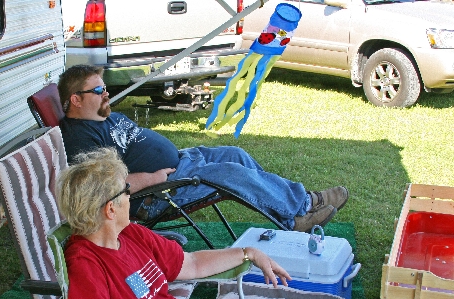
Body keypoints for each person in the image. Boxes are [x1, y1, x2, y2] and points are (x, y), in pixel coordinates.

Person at [55, 147, 388, 299]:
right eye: (125, 190)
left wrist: (248, 252)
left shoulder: (132, 234)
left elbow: (191, 264)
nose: (132, 195)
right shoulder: (86, 262)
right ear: (111, 208)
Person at [57, 64, 349, 233]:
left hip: (182, 161)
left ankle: (291, 216)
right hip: (159, 193)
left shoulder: (102, 115)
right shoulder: (80, 140)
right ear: (76, 100)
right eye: (98, 90)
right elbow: (105, 188)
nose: (106, 92)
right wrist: (155, 179)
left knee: (236, 154)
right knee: (230, 173)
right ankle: (304, 206)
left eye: (104, 87)